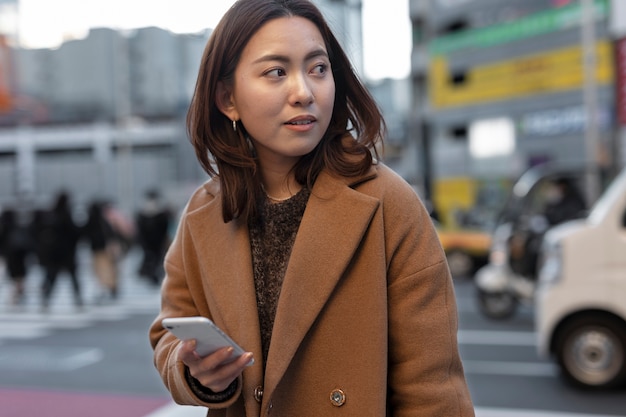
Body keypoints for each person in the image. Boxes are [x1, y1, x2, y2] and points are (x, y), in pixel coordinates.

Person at [149, 1, 475, 416]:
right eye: (276, 72)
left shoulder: (389, 204)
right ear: (227, 98)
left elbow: (432, 390)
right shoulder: (206, 212)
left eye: (318, 68)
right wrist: (198, 372)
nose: (303, 91)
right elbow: (170, 332)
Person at [34, 191, 83, 311]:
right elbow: (74, 232)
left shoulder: (51, 215)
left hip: (53, 254)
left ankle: (45, 298)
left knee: (51, 277)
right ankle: (77, 299)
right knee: (72, 277)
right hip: (66, 253)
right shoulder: (65, 214)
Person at [83, 200, 121, 303]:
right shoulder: (103, 220)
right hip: (103, 249)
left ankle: (106, 288)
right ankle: (110, 288)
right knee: (106, 270)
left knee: (101, 271)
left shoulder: (92, 221)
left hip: (99, 250)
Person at [135, 189, 172, 286]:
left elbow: (165, 229)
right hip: (150, 243)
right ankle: (152, 275)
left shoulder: (162, 214)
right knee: (153, 260)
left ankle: (154, 276)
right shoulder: (143, 214)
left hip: (157, 243)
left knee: (157, 260)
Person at [0, 207, 34, 306]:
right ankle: (18, 294)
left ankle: (16, 295)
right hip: (19, 256)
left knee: (13, 276)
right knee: (19, 277)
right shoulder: (18, 227)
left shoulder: (5, 227)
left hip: (10, 255)